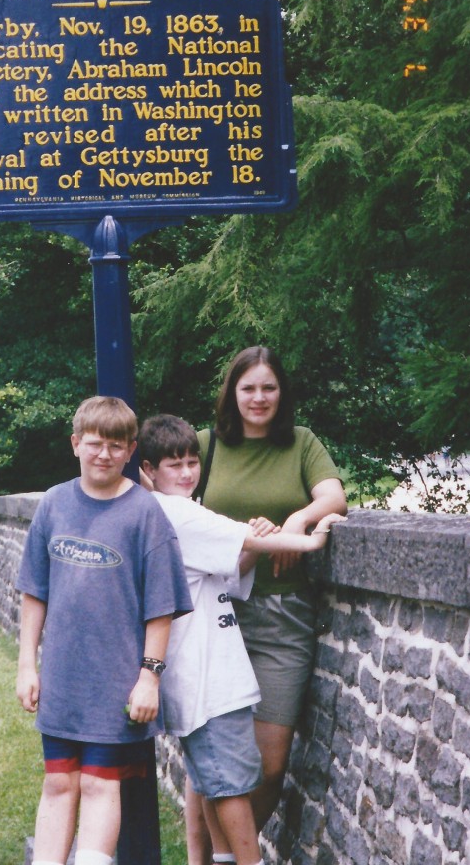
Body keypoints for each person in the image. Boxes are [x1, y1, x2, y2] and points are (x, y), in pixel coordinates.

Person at [139, 414, 341, 865]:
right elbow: (273, 543)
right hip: (208, 684)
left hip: (207, 679)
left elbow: (226, 575)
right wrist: (312, 535)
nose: (188, 472)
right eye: (174, 465)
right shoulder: (178, 513)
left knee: (215, 784)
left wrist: (251, 543)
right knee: (230, 786)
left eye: (193, 462)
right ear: (149, 470)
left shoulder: (163, 515)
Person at [15, 396, 193, 865]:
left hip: (117, 681)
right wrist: (26, 667)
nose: (104, 454)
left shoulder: (145, 513)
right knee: (57, 781)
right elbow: (35, 593)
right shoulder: (54, 504)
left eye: (117, 445)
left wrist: (149, 678)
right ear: (76, 444)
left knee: (98, 783)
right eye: (95, 444)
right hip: (62, 678)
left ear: (131, 450)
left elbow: (161, 609)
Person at [192, 346, 347, 857]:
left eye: (269, 387)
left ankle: (230, 855)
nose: (259, 398)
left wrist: (298, 520)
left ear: (282, 393)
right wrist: (246, 539)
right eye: (248, 388)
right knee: (215, 758)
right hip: (216, 616)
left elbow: (333, 497)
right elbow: (165, 510)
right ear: (231, 394)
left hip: (285, 617)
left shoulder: (301, 444)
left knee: (270, 764)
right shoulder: (204, 446)